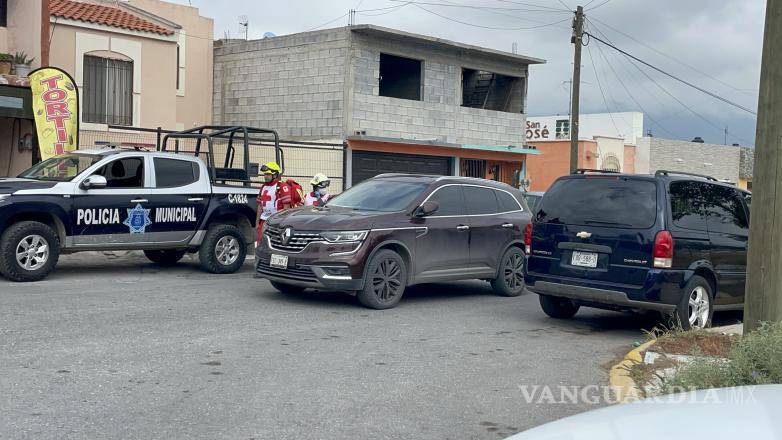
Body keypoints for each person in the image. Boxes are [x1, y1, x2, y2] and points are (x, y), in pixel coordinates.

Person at [256, 161, 295, 242]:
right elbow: (260, 206)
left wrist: (282, 224)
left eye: (268, 174)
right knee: (260, 243)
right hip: (263, 220)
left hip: (276, 222)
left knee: (274, 243)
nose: (265, 176)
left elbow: (286, 207)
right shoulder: (263, 186)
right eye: (265, 174)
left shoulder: (282, 186)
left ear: (275, 175)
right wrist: (257, 223)